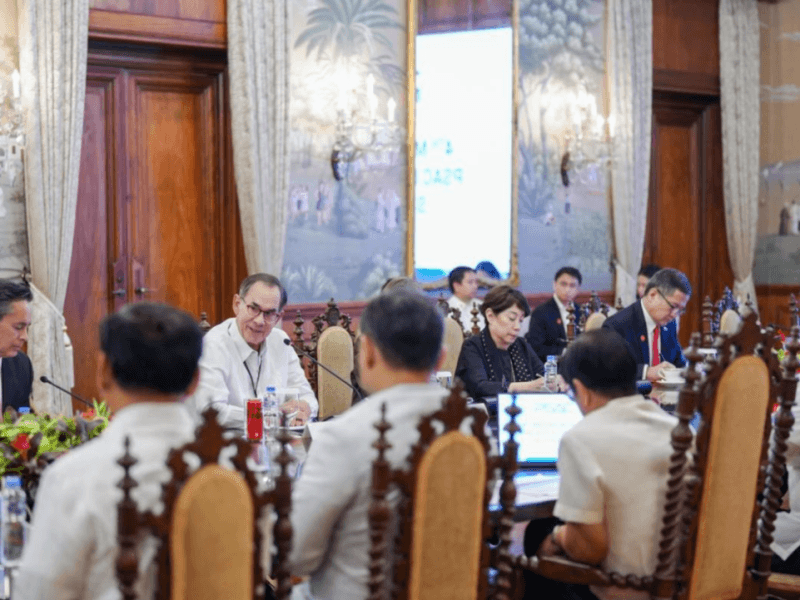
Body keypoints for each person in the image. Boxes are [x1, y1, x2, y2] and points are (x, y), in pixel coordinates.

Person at [15, 302, 204, 600]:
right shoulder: (234, 472)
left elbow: (39, 594)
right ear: (196, 381)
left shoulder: (73, 479)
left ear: (103, 371)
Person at [290, 291, 447, 599]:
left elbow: (296, 555)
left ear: (368, 352)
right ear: (440, 358)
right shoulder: (472, 428)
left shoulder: (343, 436)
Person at [523, 329, 677, 600]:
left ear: (581, 391)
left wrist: (556, 538)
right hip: (679, 584)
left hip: (626, 588)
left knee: (534, 547)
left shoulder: (581, 438)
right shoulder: (676, 429)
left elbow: (590, 549)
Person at [192, 273, 317, 431]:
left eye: (269, 313)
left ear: (278, 317)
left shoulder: (281, 341)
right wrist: (265, 416)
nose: (259, 321)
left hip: (278, 443)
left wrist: (305, 408)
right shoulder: (214, 344)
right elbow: (210, 410)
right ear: (237, 304)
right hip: (229, 446)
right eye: (253, 308)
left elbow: (306, 396)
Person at [455, 285, 557, 401]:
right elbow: (479, 387)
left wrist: (554, 381)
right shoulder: (472, 346)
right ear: (490, 316)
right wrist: (526, 386)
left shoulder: (521, 345)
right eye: (512, 319)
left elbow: (542, 375)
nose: (518, 327)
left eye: (520, 321)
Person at [603, 268, 691, 382]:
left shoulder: (669, 324)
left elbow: (678, 362)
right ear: (652, 295)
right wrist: (646, 372)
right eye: (673, 306)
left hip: (666, 395)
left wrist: (690, 369)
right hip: (632, 396)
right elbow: (610, 369)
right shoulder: (617, 325)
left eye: (680, 310)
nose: (675, 314)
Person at [525, 266, 582, 364]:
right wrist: (565, 353)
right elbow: (536, 348)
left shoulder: (581, 311)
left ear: (578, 289)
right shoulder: (540, 312)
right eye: (563, 284)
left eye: (572, 285)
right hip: (552, 366)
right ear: (554, 285)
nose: (567, 289)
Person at [0, 280, 33, 412]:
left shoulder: (22, 366)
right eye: (18, 327)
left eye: (26, 328)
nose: (25, 337)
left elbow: (23, 415)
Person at [447, 266, 484, 333]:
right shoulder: (447, 310)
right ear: (456, 286)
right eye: (470, 282)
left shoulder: (481, 305)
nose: (475, 286)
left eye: (476, 282)